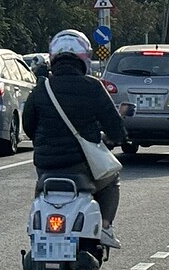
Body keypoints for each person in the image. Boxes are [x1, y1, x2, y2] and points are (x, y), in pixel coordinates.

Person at [23, 29, 129, 248]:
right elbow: (115, 129)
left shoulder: (42, 89)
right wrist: (114, 138)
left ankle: (38, 237)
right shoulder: (93, 87)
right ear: (84, 59)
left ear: (53, 58)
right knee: (111, 179)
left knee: (41, 192)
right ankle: (106, 227)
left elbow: (28, 126)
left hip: (46, 165)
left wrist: (44, 142)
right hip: (82, 165)